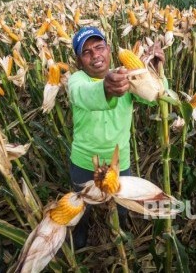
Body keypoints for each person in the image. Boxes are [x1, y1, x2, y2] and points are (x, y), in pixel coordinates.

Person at [67, 26, 166, 249]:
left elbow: (155, 97)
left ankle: (121, 240)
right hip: (84, 162)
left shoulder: (127, 77)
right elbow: (83, 95)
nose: (95, 56)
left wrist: (156, 70)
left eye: (99, 48)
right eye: (87, 52)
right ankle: (79, 244)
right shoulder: (76, 80)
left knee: (122, 207)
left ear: (109, 49)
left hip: (120, 163)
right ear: (79, 60)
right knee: (81, 208)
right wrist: (107, 88)